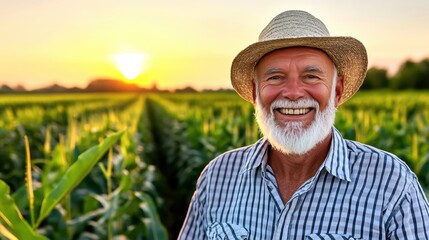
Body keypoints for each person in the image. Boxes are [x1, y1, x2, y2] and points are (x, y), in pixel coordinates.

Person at [178, 10, 429, 239]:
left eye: (311, 76)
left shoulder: (392, 184)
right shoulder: (217, 177)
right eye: (275, 77)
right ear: (255, 93)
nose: (294, 93)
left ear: (337, 91)